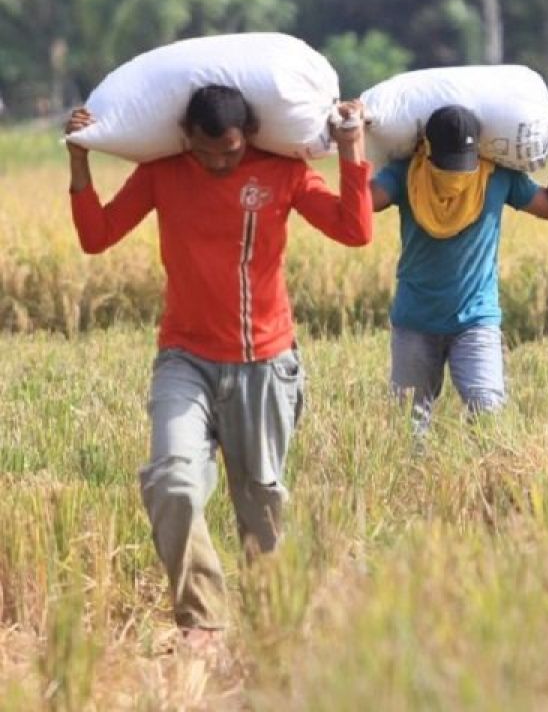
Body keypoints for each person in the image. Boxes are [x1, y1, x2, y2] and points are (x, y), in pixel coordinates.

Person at [64, 85, 372, 647]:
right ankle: (203, 620)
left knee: (263, 514)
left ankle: (275, 635)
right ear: (187, 140)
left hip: (265, 361)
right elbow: (96, 236)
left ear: (248, 137)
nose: (218, 164)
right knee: (174, 484)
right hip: (185, 357)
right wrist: (79, 158)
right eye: (206, 153)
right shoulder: (164, 173)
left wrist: (351, 148)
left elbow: (355, 230)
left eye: (229, 153)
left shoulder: (283, 171)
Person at [371, 104, 548, 432]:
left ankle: (486, 482)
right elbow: (360, 206)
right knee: (407, 426)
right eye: (448, 164)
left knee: (488, 413)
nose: (457, 175)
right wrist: (350, 143)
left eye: (462, 164)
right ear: (428, 149)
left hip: (475, 320)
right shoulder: (406, 174)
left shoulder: (497, 175)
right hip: (415, 321)